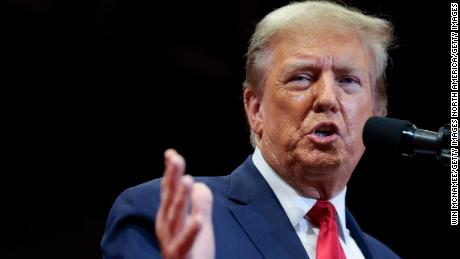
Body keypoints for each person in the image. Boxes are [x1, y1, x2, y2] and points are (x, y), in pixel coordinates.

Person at [101, 1, 400, 258]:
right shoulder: (167, 215)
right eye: (302, 78)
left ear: (377, 114)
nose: (326, 98)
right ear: (255, 109)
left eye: (348, 80)